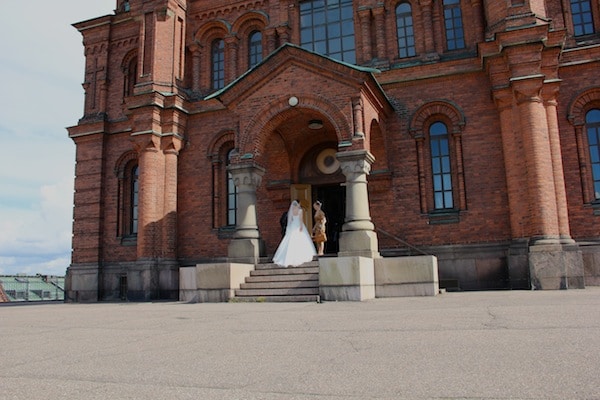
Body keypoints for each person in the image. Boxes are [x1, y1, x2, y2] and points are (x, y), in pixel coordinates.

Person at [272, 200, 316, 267]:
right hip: (298, 225)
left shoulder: (292, 211)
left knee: (290, 240)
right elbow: (301, 220)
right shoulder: (300, 210)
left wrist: (289, 227)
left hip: (292, 225)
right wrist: (301, 226)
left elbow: (290, 220)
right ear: (298, 204)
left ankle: (287, 257)